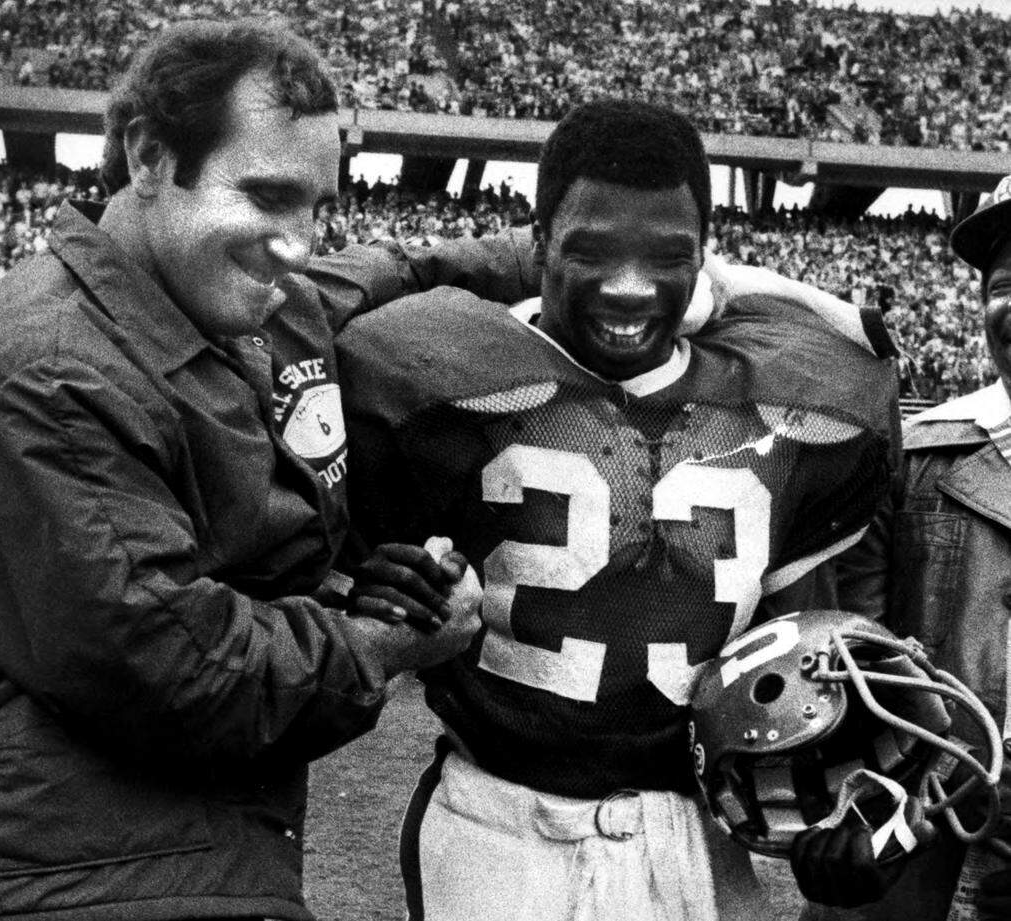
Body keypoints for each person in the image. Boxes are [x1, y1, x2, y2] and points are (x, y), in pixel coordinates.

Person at [0, 19, 484, 921]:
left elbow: (390, 270)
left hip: (151, 859)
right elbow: (187, 674)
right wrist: (392, 643)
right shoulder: (54, 371)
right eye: (268, 196)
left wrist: (365, 589)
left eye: (315, 205)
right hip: (82, 882)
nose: (299, 241)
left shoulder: (171, 309)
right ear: (150, 156)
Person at [335, 98, 903, 921]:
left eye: (668, 257)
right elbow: (300, 320)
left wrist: (842, 795)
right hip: (497, 816)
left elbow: (801, 639)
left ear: (706, 262)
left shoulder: (784, 399)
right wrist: (385, 593)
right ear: (535, 246)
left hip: (692, 829)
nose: (631, 286)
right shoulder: (430, 373)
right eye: (591, 251)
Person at [800, 174, 1011, 921]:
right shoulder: (918, 453)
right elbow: (851, 648)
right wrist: (852, 809)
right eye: (1001, 284)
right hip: (931, 819)